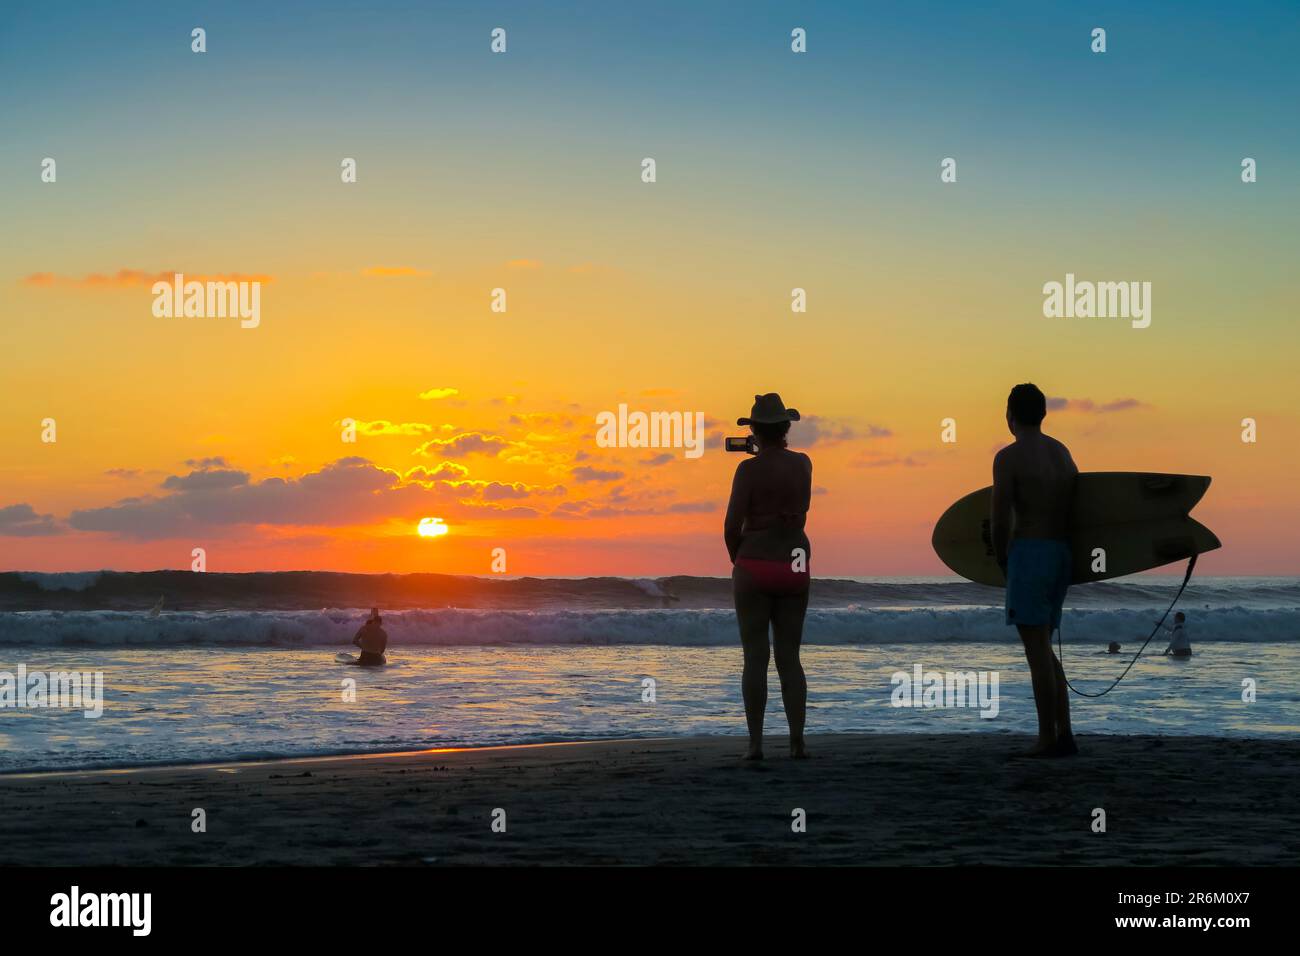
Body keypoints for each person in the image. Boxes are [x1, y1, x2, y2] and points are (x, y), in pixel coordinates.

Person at [991, 383, 1079, 758]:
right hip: (1061, 555)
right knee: (1045, 648)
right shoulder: (1062, 453)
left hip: (1029, 553)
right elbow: (1079, 505)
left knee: (1037, 652)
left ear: (1009, 415)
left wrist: (1000, 557)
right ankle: (1065, 733)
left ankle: (1047, 738)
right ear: (1043, 414)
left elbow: (999, 516)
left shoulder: (1009, 457)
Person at [725, 393, 812, 760]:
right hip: (794, 559)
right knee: (790, 656)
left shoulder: (747, 470)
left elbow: (731, 525)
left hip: (756, 560)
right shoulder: (804, 464)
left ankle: (756, 744)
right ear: (786, 428)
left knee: (755, 658)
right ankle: (796, 742)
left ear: (755, 431)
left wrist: (739, 560)